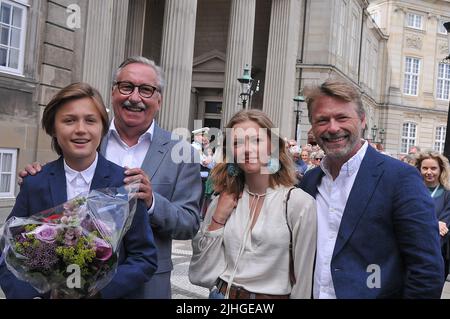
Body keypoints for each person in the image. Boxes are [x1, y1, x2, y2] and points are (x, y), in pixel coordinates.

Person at [18, 56, 202, 298]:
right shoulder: (86, 138)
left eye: (146, 90)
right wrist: (37, 181)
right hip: (68, 284)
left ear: (159, 99)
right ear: (114, 91)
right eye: (127, 87)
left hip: (147, 286)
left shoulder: (183, 153)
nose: (135, 97)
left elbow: (189, 224)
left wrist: (152, 202)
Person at [0, 83, 158, 298]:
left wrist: (98, 291)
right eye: (69, 120)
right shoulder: (34, 183)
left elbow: (144, 258)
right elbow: (8, 253)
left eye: (90, 120)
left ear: (102, 127)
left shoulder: (126, 183)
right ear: (53, 128)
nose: (81, 129)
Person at [299, 79, 444, 298]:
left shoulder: (400, 178)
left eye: (342, 117)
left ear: (363, 120)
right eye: (322, 120)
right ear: (313, 126)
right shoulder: (309, 182)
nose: (333, 127)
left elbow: (426, 268)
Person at [189, 109, 317, 299]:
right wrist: (217, 220)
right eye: (238, 142)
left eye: (256, 140)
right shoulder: (223, 200)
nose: (247, 149)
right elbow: (200, 273)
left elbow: (304, 282)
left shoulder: (299, 203)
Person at [416, 151, 450, 279]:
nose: (429, 172)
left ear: (441, 170)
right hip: (412, 253)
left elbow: (444, 228)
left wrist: (425, 223)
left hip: (437, 254)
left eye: (433, 168)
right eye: (425, 168)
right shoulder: (412, 190)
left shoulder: (447, 194)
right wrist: (434, 223)